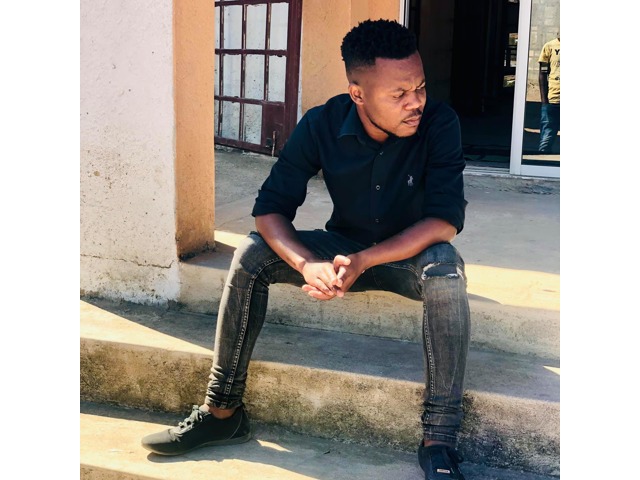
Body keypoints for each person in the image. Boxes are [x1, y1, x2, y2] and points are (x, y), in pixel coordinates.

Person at [142, 19, 470, 480]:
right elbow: (270, 210)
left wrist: (365, 260)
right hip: (341, 249)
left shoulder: (440, 122)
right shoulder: (321, 123)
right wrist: (307, 263)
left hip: (408, 258)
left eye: (419, 87)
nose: (415, 101)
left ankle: (439, 441)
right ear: (358, 94)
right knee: (252, 253)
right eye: (399, 94)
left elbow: (443, 222)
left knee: (445, 272)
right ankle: (222, 412)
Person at [538, 33, 560, 153]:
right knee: (547, 138)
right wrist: (544, 101)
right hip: (553, 100)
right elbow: (542, 73)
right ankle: (542, 161)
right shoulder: (549, 47)